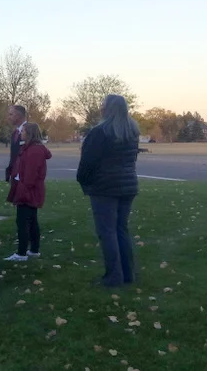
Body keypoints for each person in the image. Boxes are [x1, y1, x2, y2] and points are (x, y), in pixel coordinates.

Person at [76, 94, 140, 287]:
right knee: (121, 229)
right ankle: (127, 274)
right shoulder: (131, 131)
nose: (100, 107)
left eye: (103, 105)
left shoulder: (100, 132)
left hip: (105, 188)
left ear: (108, 108)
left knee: (107, 232)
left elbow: (88, 162)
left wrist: (84, 181)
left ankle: (113, 277)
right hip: (127, 185)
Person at [4, 123, 52, 262]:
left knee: (23, 221)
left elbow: (30, 175)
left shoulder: (34, 151)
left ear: (29, 133)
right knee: (31, 220)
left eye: (24, 131)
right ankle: (34, 250)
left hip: (28, 190)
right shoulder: (30, 148)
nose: (21, 133)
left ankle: (22, 253)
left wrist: (22, 189)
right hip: (30, 189)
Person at [6, 105, 28, 182]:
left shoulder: (29, 131)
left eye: (11, 114)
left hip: (25, 177)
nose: (9, 117)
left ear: (18, 116)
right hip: (15, 175)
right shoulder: (15, 133)